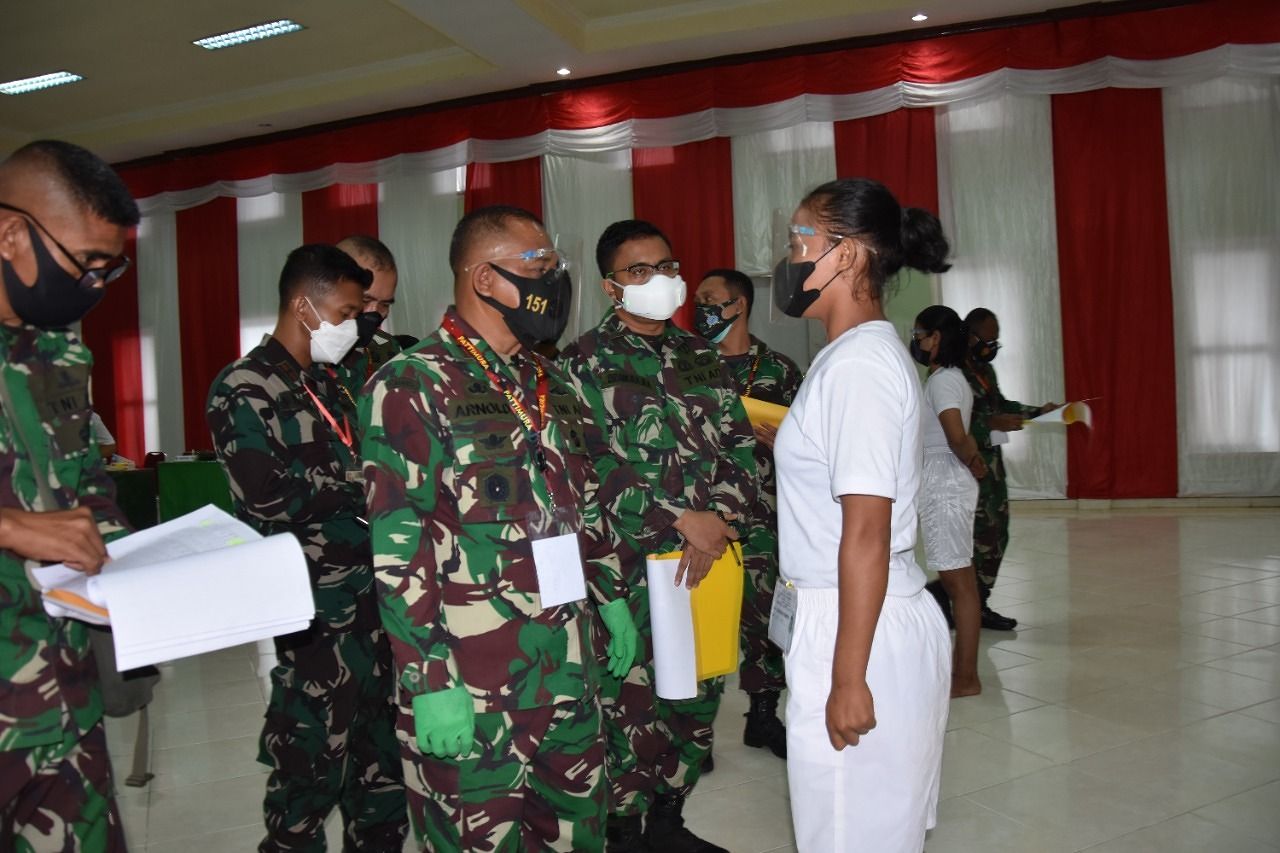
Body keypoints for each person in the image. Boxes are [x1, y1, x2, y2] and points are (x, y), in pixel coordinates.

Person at [359, 205, 637, 852]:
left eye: (555, 267)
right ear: (485, 279)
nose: (555, 280)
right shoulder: (409, 384)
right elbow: (401, 547)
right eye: (539, 266)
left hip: (569, 668)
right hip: (474, 682)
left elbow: (583, 501)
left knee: (576, 835)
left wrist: (614, 595)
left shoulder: (551, 380)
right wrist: (429, 682)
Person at [561, 220, 758, 853]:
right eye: (640, 270)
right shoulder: (580, 363)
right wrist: (678, 520)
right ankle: (623, 831)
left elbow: (741, 450)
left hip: (708, 564)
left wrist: (715, 525)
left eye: (666, 266)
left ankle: (670, 819)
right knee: (629, 709)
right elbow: (586, 468)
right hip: (629, 568)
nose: (659, 280)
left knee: (698, 699)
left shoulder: (701, 356)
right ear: (611, 286)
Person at [206, 244, 408, 852]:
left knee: (383, 771)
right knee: (311, 768)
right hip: (313, 613)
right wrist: (364, 484)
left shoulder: (330, 385)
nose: (356, 325)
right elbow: (266, 494)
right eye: (347, 312)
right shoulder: (245, 386)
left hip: (374, 604)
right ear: (304, 305)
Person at [771, 178, 951, 852]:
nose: (789, 260)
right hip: (850, 611)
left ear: (845, 255)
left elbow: (868, 533)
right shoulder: (849, 357)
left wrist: (849, 677)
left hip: (856, 622)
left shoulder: (859, 366)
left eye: (799, 242)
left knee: (852, 833)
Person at [0, 139, 139, 851]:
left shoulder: (58, 351)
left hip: (62, 703)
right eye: (84, 261)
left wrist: (136, 563)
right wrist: (13, 526)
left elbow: (87, 487)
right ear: (10, 233)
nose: (93, 284)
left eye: (106, 268)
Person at [693, 268, 801, 758]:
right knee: (701, 621)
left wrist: (787, 444)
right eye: (698, 300)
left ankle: (762, 713)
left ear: (738, 305)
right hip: (702, 517)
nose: (701, 308)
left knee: (763, 617)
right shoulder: (686, 366)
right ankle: (696, 731)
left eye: (710, 300)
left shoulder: (780, 369)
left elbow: (812, 444)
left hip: (764, 516)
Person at [961, 307, 1057, 631]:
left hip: (992, 470)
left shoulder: (984, 373)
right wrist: (990, 423)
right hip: (968, 468)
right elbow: (949, 424)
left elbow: (1000, 407)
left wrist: (1038, 412)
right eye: (988, 340)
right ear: (970, 336)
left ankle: (979, 602)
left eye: (996, 342)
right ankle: (966, 606)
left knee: (997, 534)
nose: (992, 347)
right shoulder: (951, 373)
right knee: (976, 539)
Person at [910, 305, 987, 698]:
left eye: (921, 334)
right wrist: (972, 463)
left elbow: (956, 435)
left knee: (960, 586)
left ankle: (967, 678)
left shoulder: (943, 382)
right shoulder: (949, 377)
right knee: (963, 583)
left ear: (937, 338)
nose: (917, 341)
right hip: (945, 477)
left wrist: (972, 461)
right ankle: (963, 673)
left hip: (944, 481)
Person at [336, 234, 402, 393]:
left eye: (384, 304)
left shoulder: (386, 348)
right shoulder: (307, 351)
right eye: (365, 299)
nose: (373, 313)